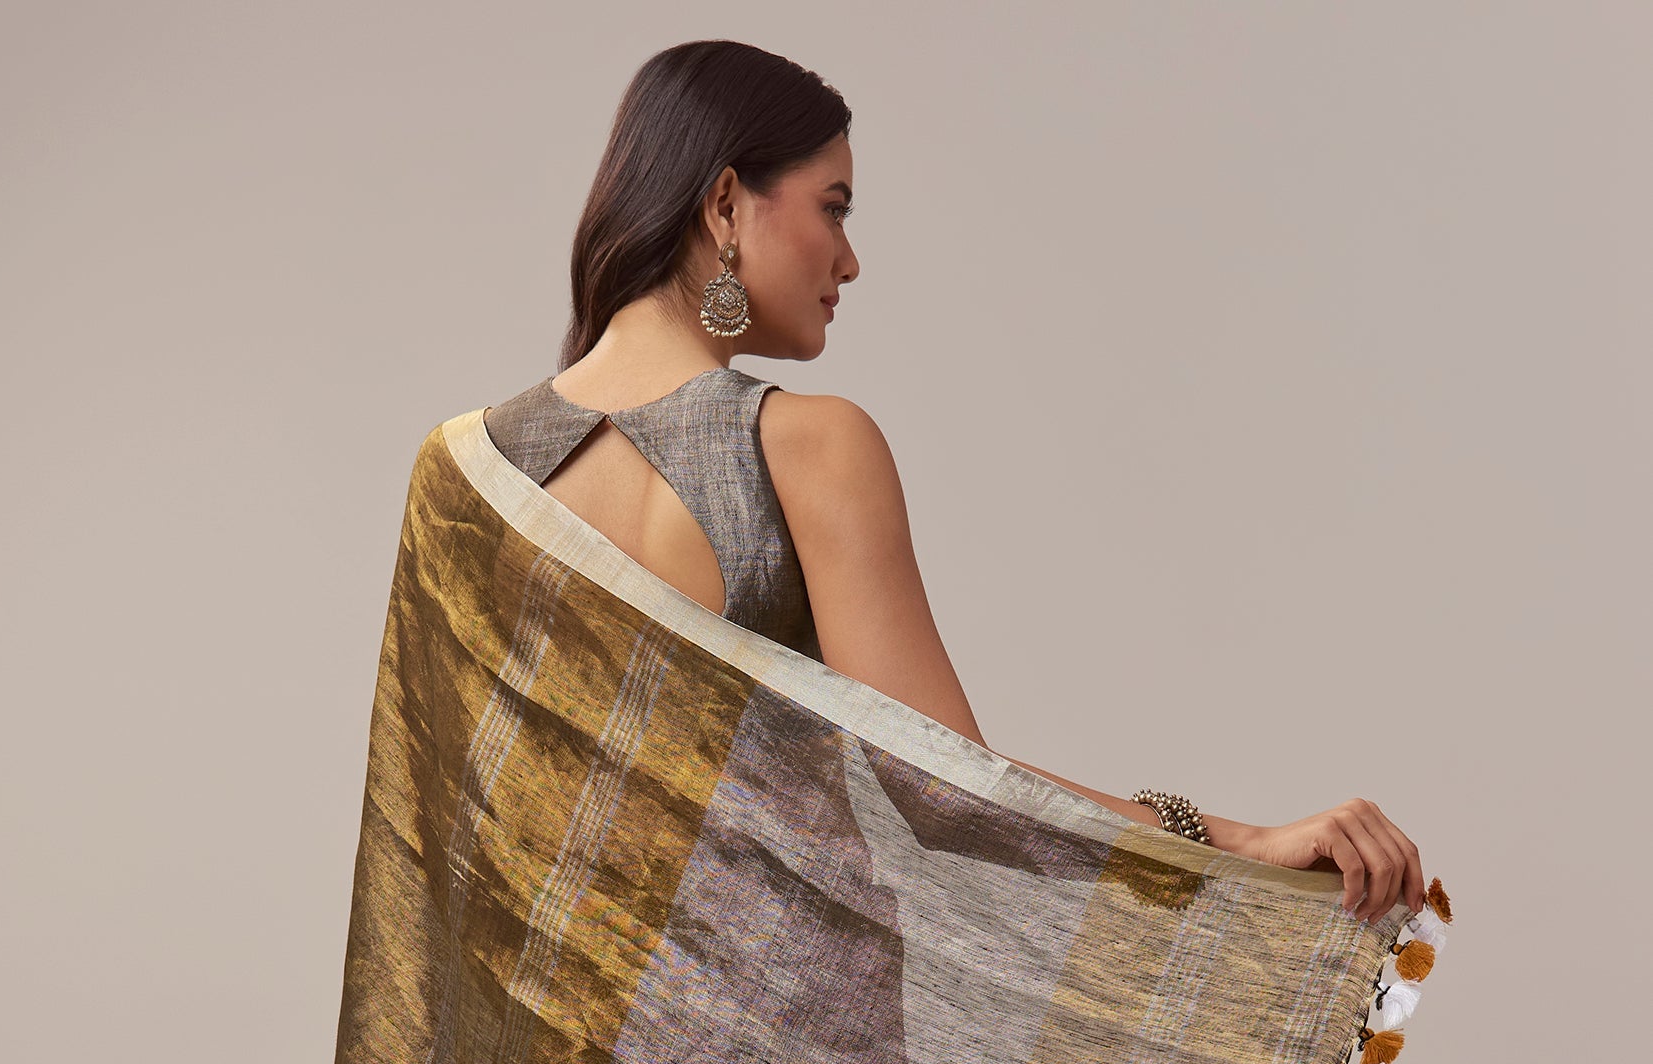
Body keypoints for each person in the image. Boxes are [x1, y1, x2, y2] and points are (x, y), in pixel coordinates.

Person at [484, 37, 1424, 925]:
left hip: (550, 1025)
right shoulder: (807, 445)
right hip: (781, 1024)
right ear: (726, 205)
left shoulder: (473, 467)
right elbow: (953, 794)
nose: (849, 260)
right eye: (834, 208)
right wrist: (1239, 842)